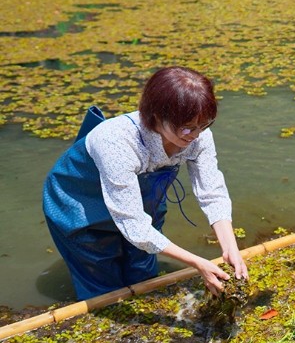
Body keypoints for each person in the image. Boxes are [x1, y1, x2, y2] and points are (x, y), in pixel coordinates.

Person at [43, 67, 248, 300]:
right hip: (80, 206)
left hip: (141, 201)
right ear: (156, 117)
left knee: (144, 274)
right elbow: (132, 223)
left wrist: (230, 247)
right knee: (104, 284)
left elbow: (212, 192)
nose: (195, 135)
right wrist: (196, 262)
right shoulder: (115, 141)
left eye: (204, 125)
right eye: (187, 127)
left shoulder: (197, 135)